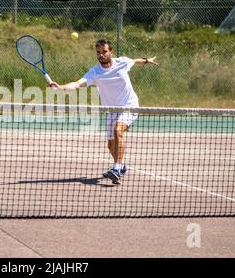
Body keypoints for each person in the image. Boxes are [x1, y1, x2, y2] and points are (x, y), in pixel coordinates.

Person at [50, 39, 157, 184]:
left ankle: (116, 168)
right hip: (111, 110)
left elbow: (134, 61)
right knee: (110, 144)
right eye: (98, 52)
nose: (101, 55)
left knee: (118, 130)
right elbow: (77, 84)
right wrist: (60, 87)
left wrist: (146, 60)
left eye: (104, 51)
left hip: (129, 105)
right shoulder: (95, 72)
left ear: (111, 52)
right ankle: (122, 165)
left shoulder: (122, 62)